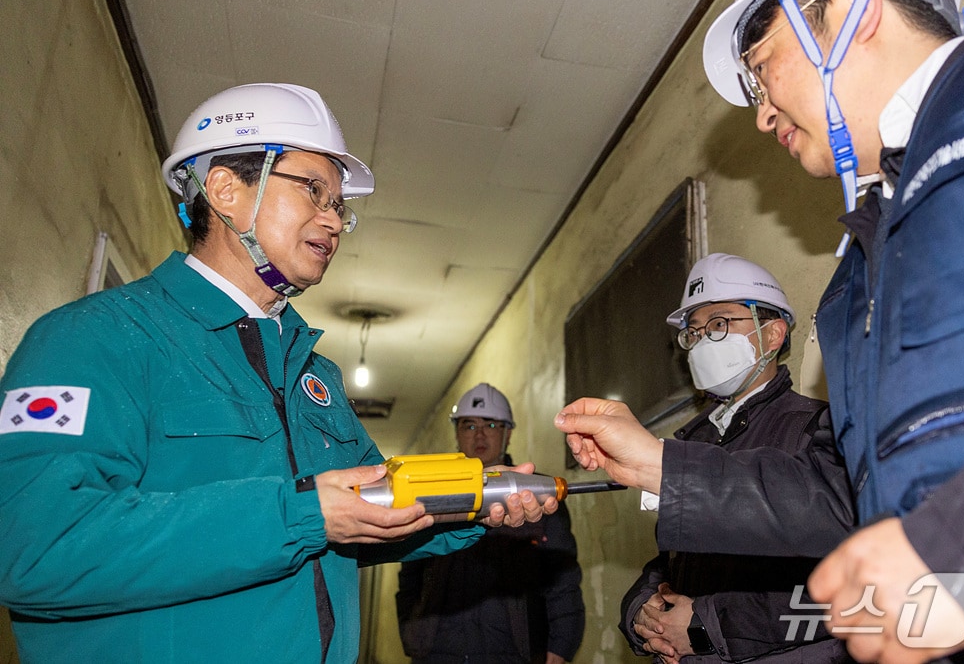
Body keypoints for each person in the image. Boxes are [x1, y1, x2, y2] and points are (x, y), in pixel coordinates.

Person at [0, 83, 556, 663]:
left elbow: (364, 517)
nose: (333, 221)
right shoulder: (94, 338)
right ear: (225, 190)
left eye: (340, 206)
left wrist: (472, 506)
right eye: (314, 191)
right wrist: (303, 513)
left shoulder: (317, 377)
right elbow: (32, 548)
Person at [560, 0, 964, 661]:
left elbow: (939, 555)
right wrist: (658, 464)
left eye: (764, 69)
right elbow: (840, 499)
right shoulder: (855, 277)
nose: (762, 113)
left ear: (856, 11)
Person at [618, 253, 851, 664]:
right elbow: (674, 561)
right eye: (694, 330)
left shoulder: (815, 431)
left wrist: (710, 625)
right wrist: (640, 609)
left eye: (720, 323)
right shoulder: (692, 442)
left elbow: (843, 585)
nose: (703, 339)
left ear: (773, 334)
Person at [396, 383, 586, 664]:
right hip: (437, 653)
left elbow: (563, 578)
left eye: (492, 425)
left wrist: (561, 647)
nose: (480, 434)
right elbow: (410, 573)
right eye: (469, 426)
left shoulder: (537, 495)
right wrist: (411, 632)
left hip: (513, 654)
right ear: (457, 434)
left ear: (508, 433)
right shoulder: (432, 492)